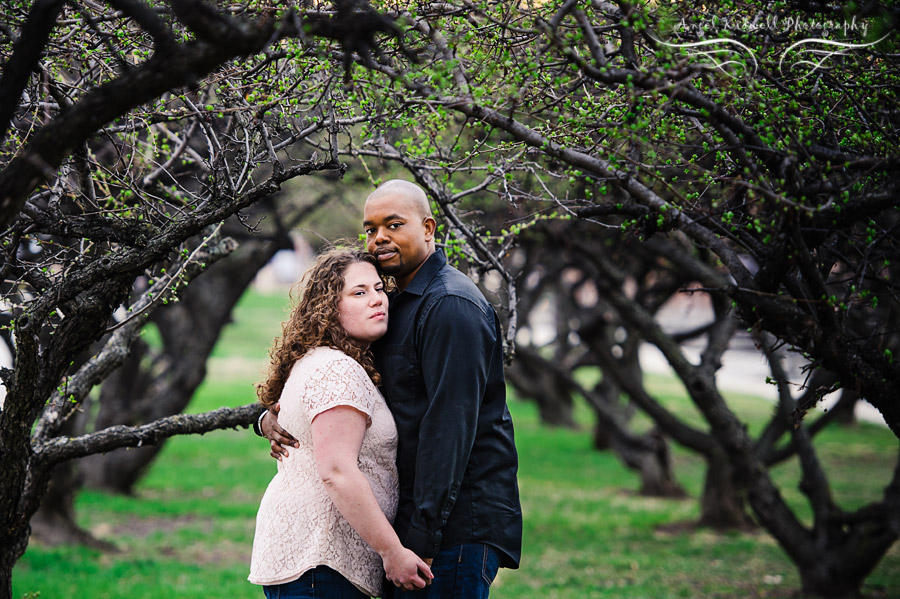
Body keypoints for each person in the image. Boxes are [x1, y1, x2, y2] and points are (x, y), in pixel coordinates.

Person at [258, 181, 523, 598]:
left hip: (450, 528)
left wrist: (419, 540)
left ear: (428, 228)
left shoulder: (451, 306)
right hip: (409, 526)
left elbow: (448, 429)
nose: (379, 238)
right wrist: (270, 416)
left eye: (394, 225)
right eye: (370, 229)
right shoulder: (395, 305)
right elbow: (330, 381)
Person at [248, 248, 433, 599]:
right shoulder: (336, 370)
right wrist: (392, 552)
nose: (377, 300)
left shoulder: (328, 361)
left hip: (313, 562)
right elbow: (337, 471)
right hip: (321, 561)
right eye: (359, 293)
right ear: (328, 307)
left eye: (380, 288)